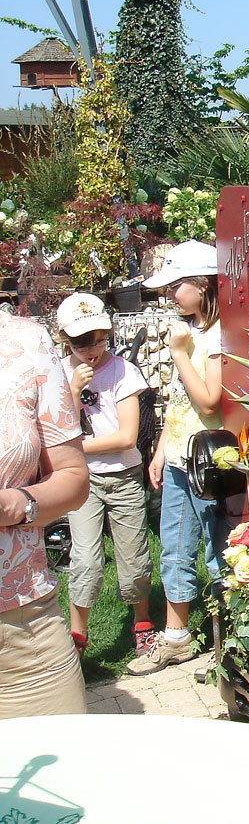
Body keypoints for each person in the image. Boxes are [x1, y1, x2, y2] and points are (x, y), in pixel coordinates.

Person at [126, 239, 224, 675]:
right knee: (175, 548)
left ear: (202, 284)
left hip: (210, 465)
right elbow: (181, 400)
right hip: (181, 457)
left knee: (219, 554)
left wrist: (181, 353)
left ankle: (229, 642)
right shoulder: (191, 330)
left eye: (175, 285)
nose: (168, 294)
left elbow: (208, 402)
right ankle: (177, 637)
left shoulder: (219, 336)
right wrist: (163, 447)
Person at [0, 305, 90, 717]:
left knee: (67, 770)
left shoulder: (26, 343)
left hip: (23, 629)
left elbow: (73, 478)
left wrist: (20, 504)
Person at [56, 292, 154, 657]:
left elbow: (127, 437)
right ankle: (77, 636)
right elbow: (53, 427)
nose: (91, 349)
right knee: (86, 560)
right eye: (82, 343)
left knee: (134, 558)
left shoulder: (123, 371)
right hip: (82, 481)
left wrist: (75, 448)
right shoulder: (60, 373)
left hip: (124, 475)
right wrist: (72, 390)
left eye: (99, 339)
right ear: (66, 340)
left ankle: (142, 622)